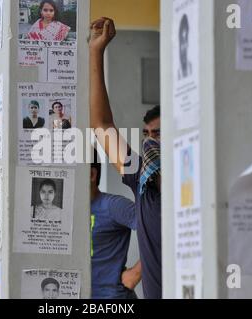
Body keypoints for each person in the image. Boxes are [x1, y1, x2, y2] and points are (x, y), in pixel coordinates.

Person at [89, 17, 162, 299]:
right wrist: (96, 51)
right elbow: (102, 126)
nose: (150, 140)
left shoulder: (196, 189)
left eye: (158, 133)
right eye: (146, 133)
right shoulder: (143, 180)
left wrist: (130, 277)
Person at [91, 151, 142, 299]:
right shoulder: (66, 213)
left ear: (91, 175)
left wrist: (136, 273)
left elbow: (160, 230)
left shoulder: (113, 205)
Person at [178, 14, 192, 81]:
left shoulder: (191, 68)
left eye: (186, 39)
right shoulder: (178, 72)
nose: (184, 47)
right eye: (182, 42)